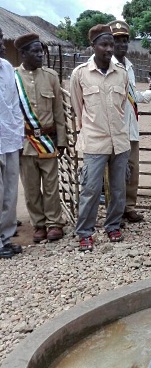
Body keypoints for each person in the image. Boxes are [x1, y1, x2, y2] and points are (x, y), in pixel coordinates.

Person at [70, 24, 130, 251]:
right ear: (93, 46)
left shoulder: (121, 73)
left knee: (117, 189)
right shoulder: (80, 74)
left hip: (120, 142)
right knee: (91, 189)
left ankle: (113, 226)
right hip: (94, 142)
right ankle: (85, 232)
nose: (109, 49)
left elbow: (122, 105)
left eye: (111, 45)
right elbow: (78, 107)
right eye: (104, 44)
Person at [107, 20, 151, 223]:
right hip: (115, 128)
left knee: (132, 168)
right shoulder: (107, 65)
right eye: (117, 41)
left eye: (124, 41)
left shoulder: (128, 67)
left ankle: (129, 206)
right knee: (115, 171)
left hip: (130, 126)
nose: (121, 45)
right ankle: (115, 210)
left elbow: (132, 95)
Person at [14, 33, 67, 243]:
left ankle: (54, 223)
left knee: (52, 186)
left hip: (47, 141)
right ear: (23, 53)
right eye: (35, 51)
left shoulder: (51, 77)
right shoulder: (13, 77)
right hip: (25, 143)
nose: (40, 55)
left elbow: (59, 113)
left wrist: (61, 140)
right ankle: (39, 224)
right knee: (31, 188)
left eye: (41, 51)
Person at [0, 27, 24, 258]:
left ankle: (5, 238)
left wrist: (18, 133)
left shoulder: (7, 68)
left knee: (9, 193)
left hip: (8, 139)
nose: (1, 43)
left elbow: (14, 104)